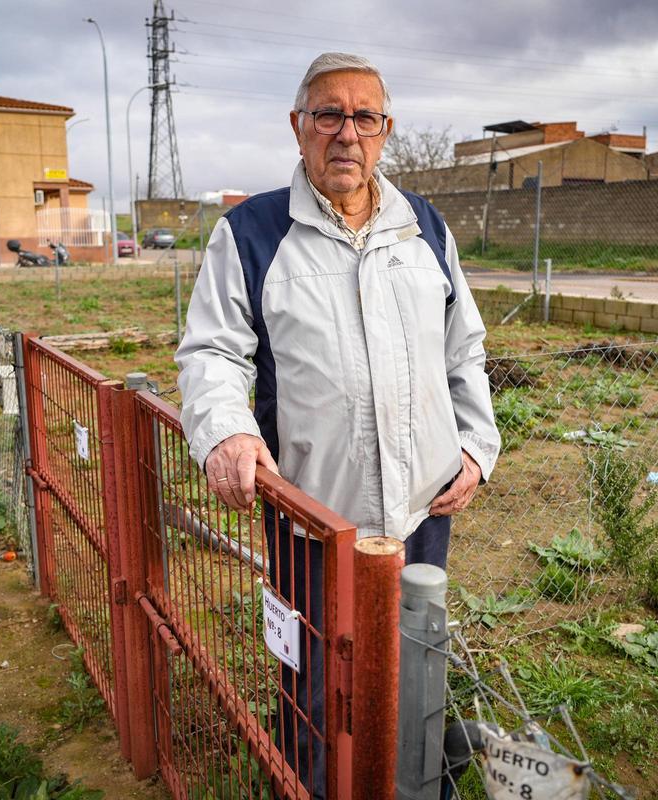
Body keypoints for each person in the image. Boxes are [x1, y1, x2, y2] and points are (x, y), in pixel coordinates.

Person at [175, 53, 500, 798]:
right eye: (329, 114)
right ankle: (310, 783)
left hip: (420, 511)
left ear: (385, 132)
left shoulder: (425, 227)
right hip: (312, 520)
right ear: (299, 127)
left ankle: (410, 777)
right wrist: (226, 431)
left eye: (365, 117)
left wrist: (477, 447)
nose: (346, 133)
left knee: (412, 666)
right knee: (312, 678)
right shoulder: (251, 233)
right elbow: (213, 350)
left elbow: (465, 348)